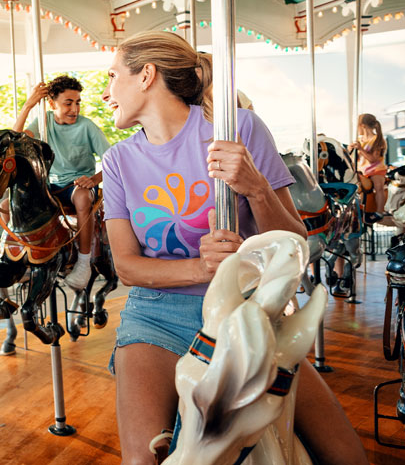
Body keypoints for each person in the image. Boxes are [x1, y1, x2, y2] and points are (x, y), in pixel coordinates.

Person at [100, 31, 368, 464]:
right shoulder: (117, 161)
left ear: (146, 75)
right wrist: (205, 268)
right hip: (156, 316)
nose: (107, 90)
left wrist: (256, 188)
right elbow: (127, 267)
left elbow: (295, 242)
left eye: (113, 75)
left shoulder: (238, 129)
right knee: (140, 458)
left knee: (346, 455)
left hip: (248, 314)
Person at [12, 75, 112, 290]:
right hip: (50, 186)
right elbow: (14, 141)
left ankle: (84, 263)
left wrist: (94, 179)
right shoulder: (44, 122)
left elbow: (114, 161)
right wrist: (29, 105)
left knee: (83, 197)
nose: (74, 109)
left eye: (77, 103)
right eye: (68, 103)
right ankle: (21, 253)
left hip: (78, 186)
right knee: (13, 198)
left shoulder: (87, 127)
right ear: (52, 103)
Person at [349, 112, 388, 222]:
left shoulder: (377, 139)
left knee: (378, 187)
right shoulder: (360, 140)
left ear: (363, 126)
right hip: (362, 170)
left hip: (376, 169)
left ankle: (379, 212)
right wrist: (351, 149)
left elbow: (373, 159)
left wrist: (361, 149)